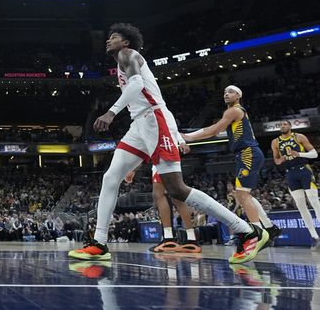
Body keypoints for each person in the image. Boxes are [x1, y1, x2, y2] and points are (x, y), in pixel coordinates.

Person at [69, 24, 267, 264]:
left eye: (114, 37)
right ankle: (99, 243)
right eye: (108, 37)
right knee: (111, 177)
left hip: (155, 119)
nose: (108, 40)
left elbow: (136, 85)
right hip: (139, 124)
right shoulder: (121, 60)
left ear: (126, 42)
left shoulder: (127, 54)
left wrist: (111, 113)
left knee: (176, 189)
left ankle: (247, 231)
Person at [183, 86, 280, 244]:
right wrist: (190, 136)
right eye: (224, 92)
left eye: (230, 92)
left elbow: (214, 130)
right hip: (246, 153)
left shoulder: (234, 110)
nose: (226, 94)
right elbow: (215, 130)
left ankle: (257, 233)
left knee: (242, 195)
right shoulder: (233, 113)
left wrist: (188, 137)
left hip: (248, 153)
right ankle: (269, 227)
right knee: (243, 194)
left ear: (238, 96)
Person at [124, 164, 201, 253]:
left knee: (159, 195)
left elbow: (146, 156)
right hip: (172, 161)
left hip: (161, 161)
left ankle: (169, 238)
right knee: (177, 197)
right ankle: (191, 238)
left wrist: (133, 170)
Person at [271, 119, 320, 246]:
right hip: (290, 174)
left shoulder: (299, 137)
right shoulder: (275, 142)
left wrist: (299, 154)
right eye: (280, 125)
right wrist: (280, 160)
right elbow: (276, 160)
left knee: (315, 203)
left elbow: (314, 154)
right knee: (301, 206)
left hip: (304, 170)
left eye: (285, 124)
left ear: (290, 126)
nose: (282, 126)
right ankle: (314, 236)